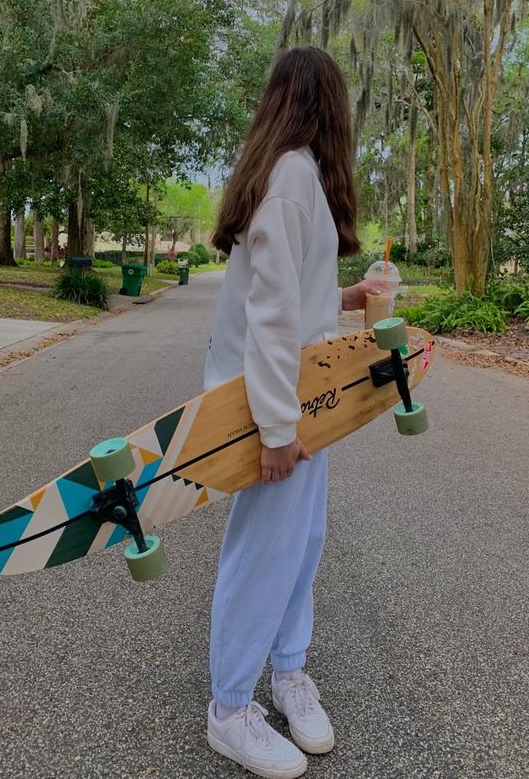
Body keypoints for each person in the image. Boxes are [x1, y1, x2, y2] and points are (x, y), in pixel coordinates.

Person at [204, 46, 383, 778]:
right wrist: (277, 431)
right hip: (270, 408)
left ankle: (287, 671)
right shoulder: (289, 181)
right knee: (265, 550)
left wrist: (341, 300)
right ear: (327, 106)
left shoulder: (290, 173)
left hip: (307, 400)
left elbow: (290, 300)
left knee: (301, 541)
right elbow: (270, 320)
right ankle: (228, 707)